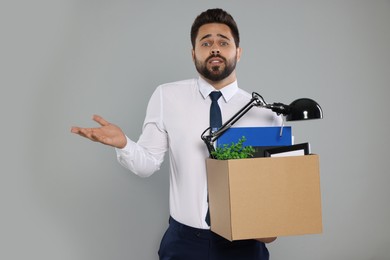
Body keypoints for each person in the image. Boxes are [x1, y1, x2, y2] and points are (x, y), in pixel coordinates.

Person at [71, 8, 281, 260]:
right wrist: (125, 144)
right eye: (206, 42)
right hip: (185, 243)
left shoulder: (265, 113)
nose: (215, 48)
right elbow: (147, 165)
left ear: (238, 51)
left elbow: (273, 192)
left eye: (223, 42)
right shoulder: (167, 97)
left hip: (244, 244)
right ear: (194, 54)